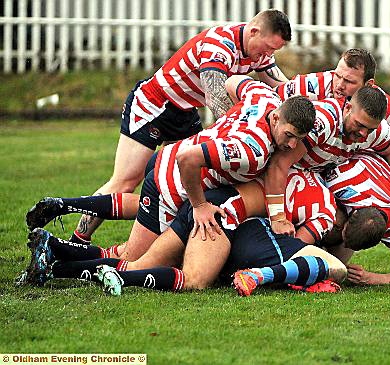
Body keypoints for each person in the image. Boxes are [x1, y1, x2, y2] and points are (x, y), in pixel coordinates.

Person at [19, 79, 315, 289]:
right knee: (135, 259)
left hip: (167, 161)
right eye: (288, 135)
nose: (290, 145)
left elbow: (236, 81)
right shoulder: (253, 150)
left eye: (297, 140)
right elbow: (190, 159)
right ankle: (55, 256)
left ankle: (58, 224)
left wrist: (229, 120)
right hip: (172, 182)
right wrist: (199, 206)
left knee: (133, 250)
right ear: (276, 117)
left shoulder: (264, 97)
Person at [71, 9, 292, 246]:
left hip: (185, 112)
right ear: (254, 31)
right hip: (154, 105)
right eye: (268, 47)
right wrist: (247, 134)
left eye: (274, 51)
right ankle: (78, 239)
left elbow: (285, 89)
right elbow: (217, 102)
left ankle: (157, 246)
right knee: (125, 181)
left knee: (183, 184)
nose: (268, 54)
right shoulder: (219, 45)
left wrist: (307, 109)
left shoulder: (259, 53)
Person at [275, 48, 390, 277]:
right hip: (305, 164)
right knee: (322, 210)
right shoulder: (314, 87)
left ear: (368, 85)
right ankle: (287, 256)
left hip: (342, 162)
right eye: (337, 75)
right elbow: (271, 99)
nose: (339, 85)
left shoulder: (383, 109)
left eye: (349, 81)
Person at [19, 185, 346, 296]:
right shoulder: (321, 214)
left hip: (194, 191)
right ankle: (112, 275)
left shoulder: (291, 168)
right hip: (212, 207)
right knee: (193, 280)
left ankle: (55, 252)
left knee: (136, 256)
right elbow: (329, 262)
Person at [263, 85, 390, 244]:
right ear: (348, 108)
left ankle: (322, 258)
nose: (363, 133)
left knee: (343, 222)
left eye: (370, 129)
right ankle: (290, 257)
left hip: (316, 173)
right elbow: (279, 163)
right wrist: (278, 217)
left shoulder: (375, 130)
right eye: (360, 125)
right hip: (288, 169)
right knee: (325, 213)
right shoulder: (324, 122)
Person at [320, 153, 390, 285]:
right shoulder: (340, 181)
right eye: (344, 233)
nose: (344, 245)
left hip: (382, 172)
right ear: (353, 214)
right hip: (358, 155)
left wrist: (370, 278)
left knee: (331, 269)